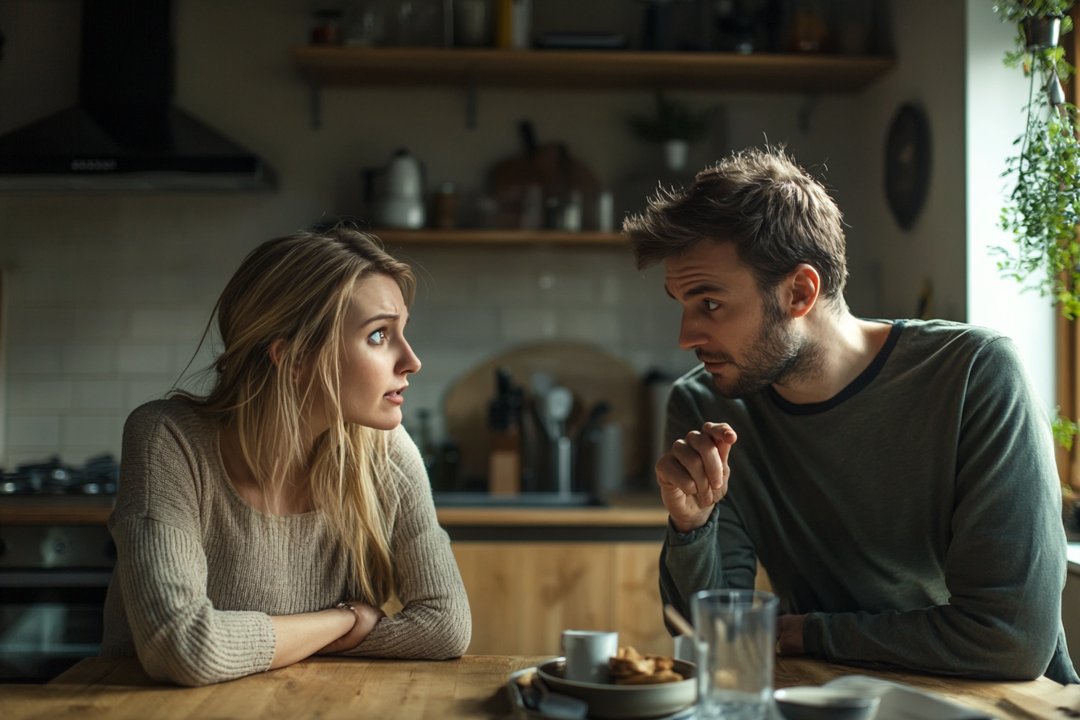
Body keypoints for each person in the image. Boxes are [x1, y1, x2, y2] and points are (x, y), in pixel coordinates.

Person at [622, 145, 1079, 684]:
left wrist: (801, 633)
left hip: (997, 704)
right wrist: (691, 526)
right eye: (683, 305)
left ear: (799, 291)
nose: (686, 337)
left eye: (710, 304)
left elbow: (1011, 640)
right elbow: (712, 635)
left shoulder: (975, 374)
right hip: (826, 698)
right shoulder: (705, 404)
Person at [101, 226, 471, 686]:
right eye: (378, 336)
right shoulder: (167, 439)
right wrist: (346, 620)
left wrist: (267, 640)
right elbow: (184, 647)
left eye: (403, 332)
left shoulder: (386, 452)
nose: (411, 360)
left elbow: (447, 626)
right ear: (293, 357)